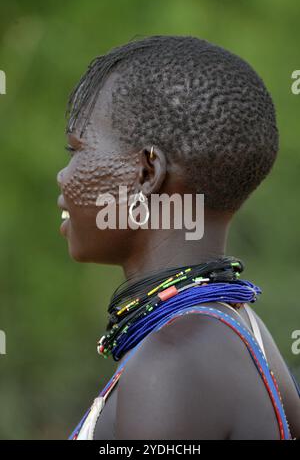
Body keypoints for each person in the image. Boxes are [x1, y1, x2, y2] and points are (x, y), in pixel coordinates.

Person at [56, 35, 300, 440]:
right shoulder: (235, 325)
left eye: (76, 149)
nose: (63, 177)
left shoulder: (174, 361)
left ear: (147, 173)